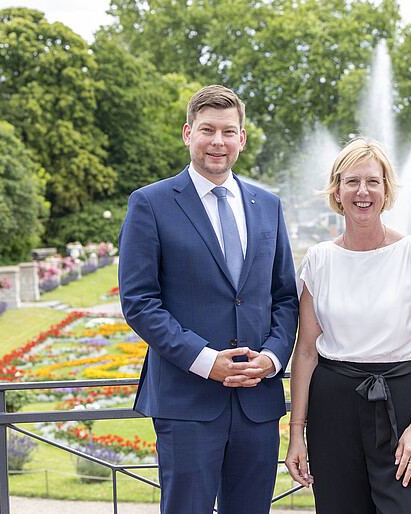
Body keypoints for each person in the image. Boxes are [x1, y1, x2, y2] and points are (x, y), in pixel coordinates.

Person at [118, 84, 298, 513]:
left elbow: (286, 297)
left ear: (242, 139)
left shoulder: (267, 204)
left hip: (258, 401)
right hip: (186, 401)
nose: (218, 141)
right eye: (207, 130)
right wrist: (206, 361)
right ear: (187, 133)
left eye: (228, 131)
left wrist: (272, 359)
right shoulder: (150, 203)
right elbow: (140, 302)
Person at [284, 138, 411, 513]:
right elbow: (307, 351)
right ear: (337, 191)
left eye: (373, 181)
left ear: (387, 190)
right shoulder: (318, 260)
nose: (363, 191)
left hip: (402, 404)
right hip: (332, 408)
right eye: (352, 181)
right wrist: (297, 434)